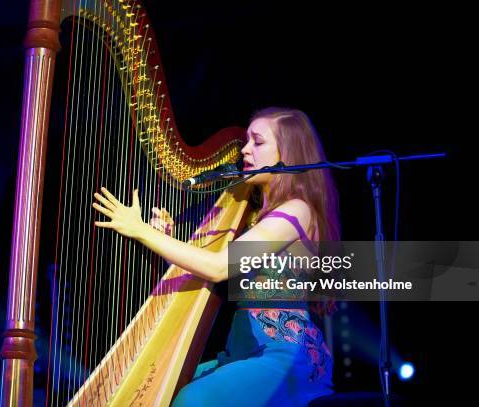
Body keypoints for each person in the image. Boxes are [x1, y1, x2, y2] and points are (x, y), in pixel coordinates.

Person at [92, 107, 340, 406]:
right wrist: (168, 240)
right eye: (247, 141)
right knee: (154, 393)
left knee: (192, 399)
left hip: (284, 356)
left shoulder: (296, 210)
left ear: (287, 152)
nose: (245, 150)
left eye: (257, 142)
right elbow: (208, 271)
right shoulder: (254, 215)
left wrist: (142, 231)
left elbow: (218, 267)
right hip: (244, 349)